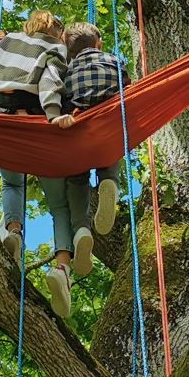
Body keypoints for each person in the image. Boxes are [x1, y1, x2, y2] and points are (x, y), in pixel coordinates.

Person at [0, 10, 77, 319]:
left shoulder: (8, 41)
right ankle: (62, 266)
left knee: (12, 182)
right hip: (38, 125)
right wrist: (54, 115)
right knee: (59, 206)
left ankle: (13, 231)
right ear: (56, 31)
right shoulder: (56, 49)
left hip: (4, 122)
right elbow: (51, 82)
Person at [60, 21, 125, 280]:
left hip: (78, 131)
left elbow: (60, 95)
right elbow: (127, 88)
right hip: (107, 127)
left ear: (69, 50)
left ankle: (81, 229)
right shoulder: (115, 61)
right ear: (98, 43)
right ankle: (108, 181)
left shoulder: (66, 69)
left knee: (75, 180)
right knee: (111, 153)